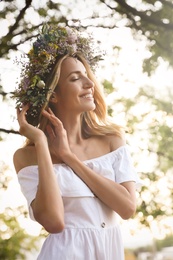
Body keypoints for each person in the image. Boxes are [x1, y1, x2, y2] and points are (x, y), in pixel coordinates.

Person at [13, 23, 141, 260]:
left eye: (87, 76)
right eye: (75, 78)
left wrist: (69, 157)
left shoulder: (112, 140)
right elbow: (54, 221)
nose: (90, 84)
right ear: (53, 95)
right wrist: (41, 142)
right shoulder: (27, 157)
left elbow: (127, 207)